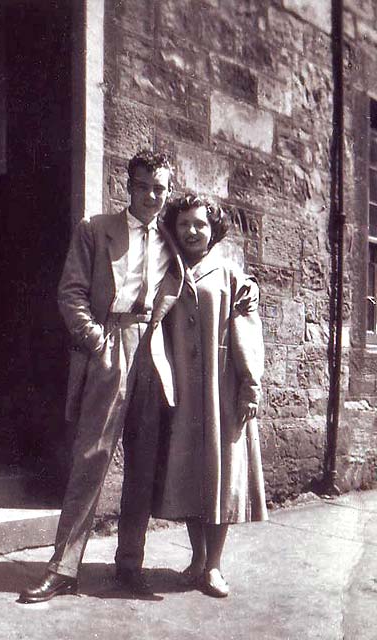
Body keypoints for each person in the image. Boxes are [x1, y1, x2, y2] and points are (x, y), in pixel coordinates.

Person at [19, 150, 184, 603]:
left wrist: (248, 289)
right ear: (128, 185)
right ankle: (63, 567)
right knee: (91, 457)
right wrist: (96, 341)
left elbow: (209, 261)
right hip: (110, 344)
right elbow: (71, 292)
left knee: (143, 462)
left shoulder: (172, 241)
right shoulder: (95, 230)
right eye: (144, 185)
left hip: (152, 349)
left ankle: (130, 563)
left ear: (168, 192)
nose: (152, 195)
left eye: (160, 188)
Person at [152, 194, 268, 598]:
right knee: (189, 476)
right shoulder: (168, 270)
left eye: (200, 224)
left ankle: (215, 566)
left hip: (222, 390)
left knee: (221, 476)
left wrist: (251, 387)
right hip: (182, 390)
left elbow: (248, 335)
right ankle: (197, 559)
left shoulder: (231, 274)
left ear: (212, 228)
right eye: (184, 224)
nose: (192, 231)